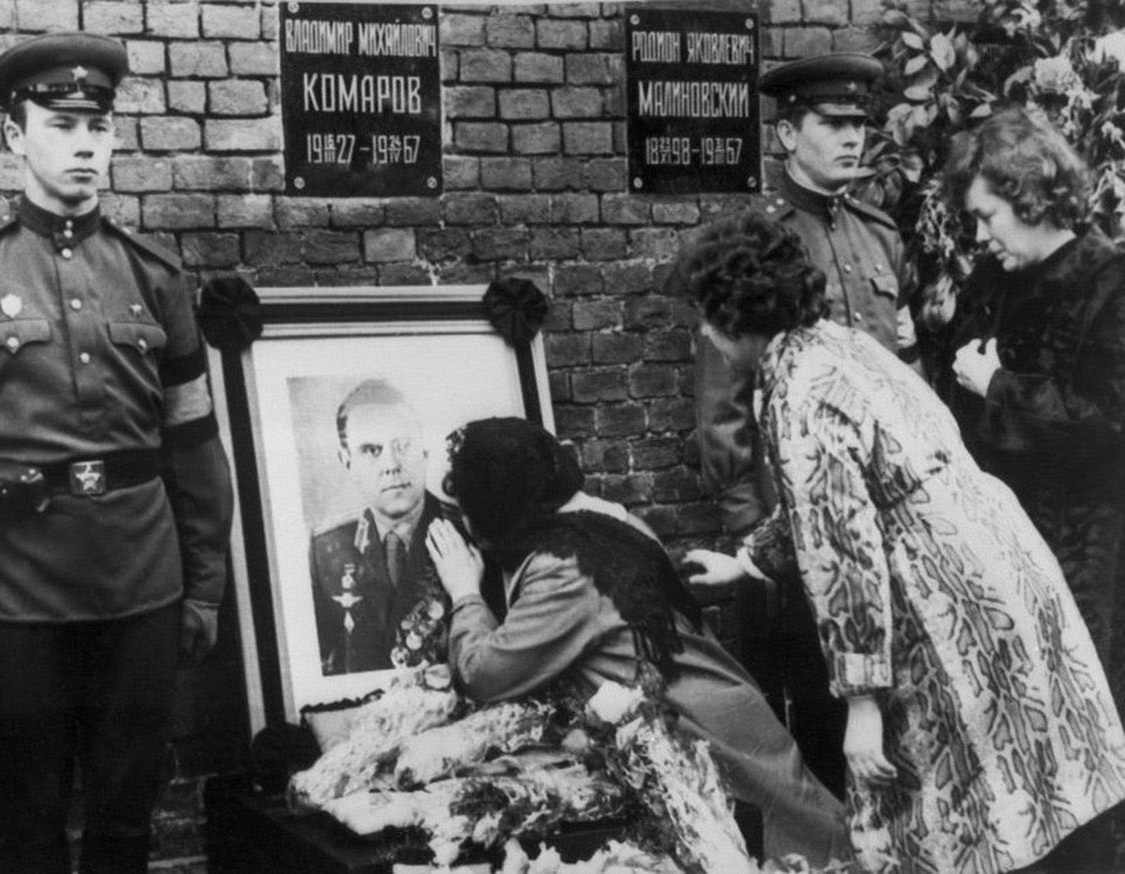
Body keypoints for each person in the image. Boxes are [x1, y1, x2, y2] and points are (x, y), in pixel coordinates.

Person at [676, 211, 1125, 872]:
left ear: (736, 318)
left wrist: (862, 704)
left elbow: (843, 550)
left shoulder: (799, 392)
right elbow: (838, 500)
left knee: (951, 819)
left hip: (947, 603)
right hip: (1004, 569)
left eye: (709, 320)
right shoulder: (842, 346)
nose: (708, 337)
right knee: (1038, 794)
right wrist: (747, 562)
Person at [0, 32, 234, 874]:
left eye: (98, 127)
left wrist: (203, 587)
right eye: (62, 125)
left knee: (125, 824)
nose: (85, 145)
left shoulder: (155, 278)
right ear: (15, 135)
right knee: (31, 834)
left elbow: (195, 449)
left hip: (142, 588)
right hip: (20, 598)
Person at [423, 417, 851, 868]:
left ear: (499, 502)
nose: (466, 523)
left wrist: (465, 592)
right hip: (725, 709)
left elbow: (484, 673)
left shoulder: (563, 567)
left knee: (800, 849)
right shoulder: (606, 519)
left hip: (702, 731)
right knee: (806, 835)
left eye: (470, 507)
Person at [667, 53, 923, 797]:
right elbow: (722, 413)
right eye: (833, 123)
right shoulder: (758, 245)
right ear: (787, 135)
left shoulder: (880, 235)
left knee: (900, 724)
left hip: (888, 527)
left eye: (860, 124)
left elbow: (903, 377)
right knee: (819, 723)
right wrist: (758, 542)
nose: (853, 138)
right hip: (798, 529)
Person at [936, 104, 1125, 870]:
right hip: (994, 557)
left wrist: (1000, 387)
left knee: (1079, 756)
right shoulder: (991, 280)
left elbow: (1110, 423)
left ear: (1033, 196)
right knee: (1006, 759)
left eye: (988, 216)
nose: (979, 235)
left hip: (1083, 554)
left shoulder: (1108, 284)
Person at [309, 379, 461, 675]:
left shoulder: (467, 533)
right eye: (371, 450)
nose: (391, 464)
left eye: (403, 445)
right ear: (347, 462)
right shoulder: (326, 548)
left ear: (424, 450)